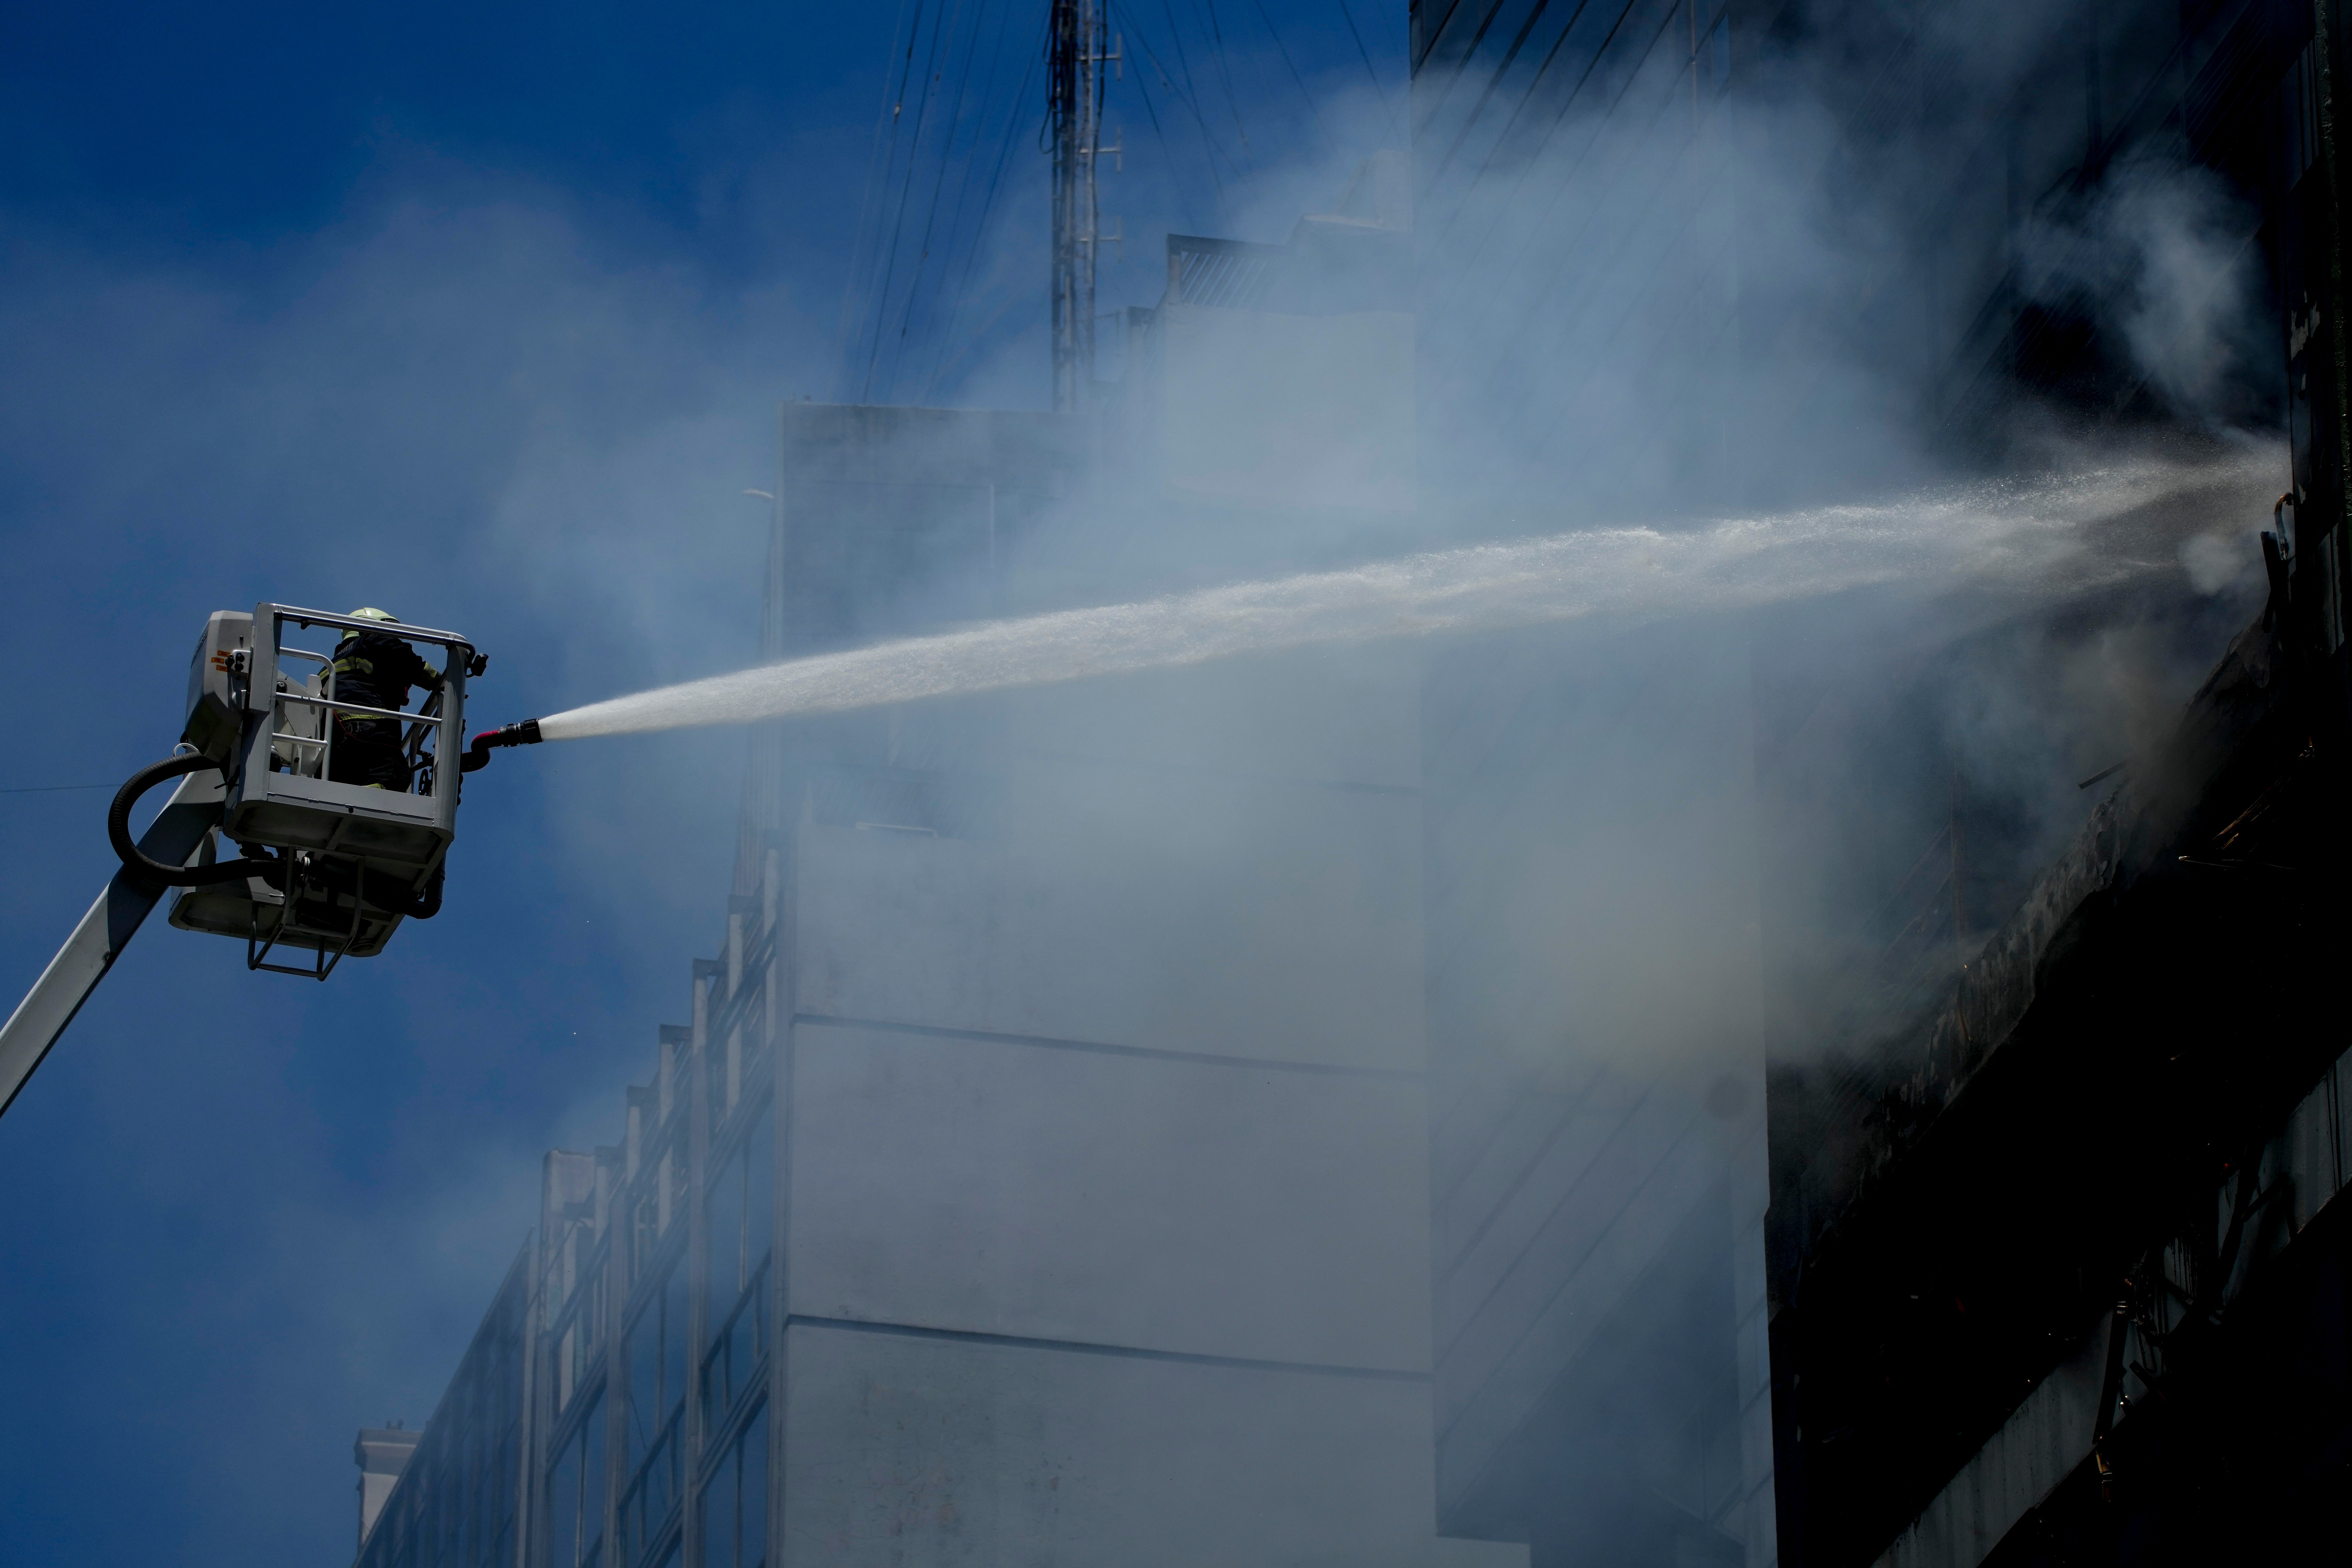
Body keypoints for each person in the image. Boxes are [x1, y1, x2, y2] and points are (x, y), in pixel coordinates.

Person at [323, 608, 442, 790]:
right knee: (393, 774)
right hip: (368, 726)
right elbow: (404, 658)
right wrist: (442, 682)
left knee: (350, 783)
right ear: (367, 625)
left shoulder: (329, 665)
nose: (394, 636)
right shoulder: (372, 640)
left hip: (334, 739)